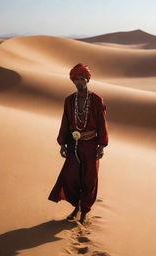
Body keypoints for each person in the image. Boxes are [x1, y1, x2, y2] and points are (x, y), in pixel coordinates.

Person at [48, 63, 109, 224]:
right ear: (73, 81)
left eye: (82, 78)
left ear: (88, 80)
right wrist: (62, 144)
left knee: (89, 178)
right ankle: (77, 206)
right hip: (74, 145)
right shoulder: (69, 100)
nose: (79, 82)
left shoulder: (96, 100)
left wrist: (101, 146)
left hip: (91, 145)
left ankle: (84, 211)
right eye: (76, 79)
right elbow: (65, 122)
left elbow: (102, 124)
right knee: (72, 177)